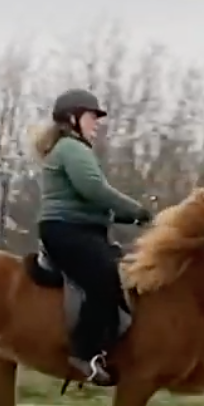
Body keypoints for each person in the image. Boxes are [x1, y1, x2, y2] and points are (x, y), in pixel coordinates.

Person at [33, 88, 153, 385]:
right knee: (104, 278)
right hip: (67, 231)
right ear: (72, 118)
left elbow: (90, 203)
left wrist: (128, 216)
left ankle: (111, 345)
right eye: (92, 116)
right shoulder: (72, 149)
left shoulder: (72, 149)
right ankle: (83, 354)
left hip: (79, 228)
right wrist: (137, 209)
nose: (97, 123)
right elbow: (94, 191)